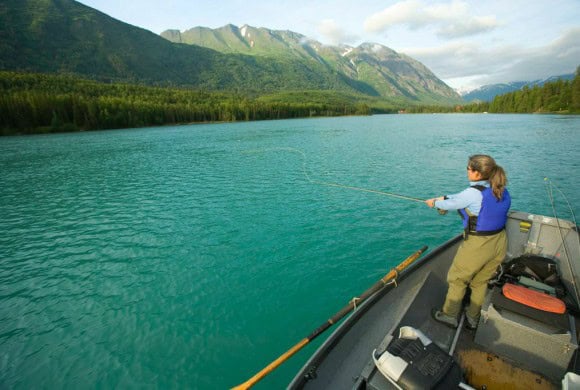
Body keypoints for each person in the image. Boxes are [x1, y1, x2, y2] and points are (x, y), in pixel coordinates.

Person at [425, 154, 511, 330]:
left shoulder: (472, 193)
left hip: (479, 246)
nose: (467, 171)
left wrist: (434, 203)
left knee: (457, 279)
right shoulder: (500, 188)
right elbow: (461, 197)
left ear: (477, 173)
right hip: (500, 242)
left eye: (468, 169)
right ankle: (473, 318)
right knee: (480, 282)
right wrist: (445, 196)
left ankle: (449, 316)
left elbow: (452, 204)